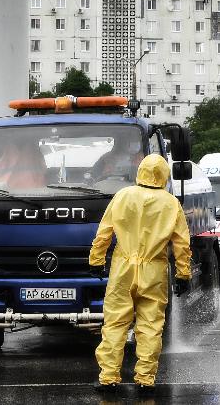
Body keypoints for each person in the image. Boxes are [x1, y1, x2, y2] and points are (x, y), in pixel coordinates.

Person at [89, 154, 191, 396]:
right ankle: (145, 380)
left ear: (141, 171)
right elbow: (182, 244)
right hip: (154, 271)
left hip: (122, 269)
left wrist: (96, 260)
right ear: (165, 175)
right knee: (150, 326)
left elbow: (104, 232)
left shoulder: (123, 196)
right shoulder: (170, 203)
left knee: (115, 324)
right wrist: (183, 274)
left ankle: (109, 378)